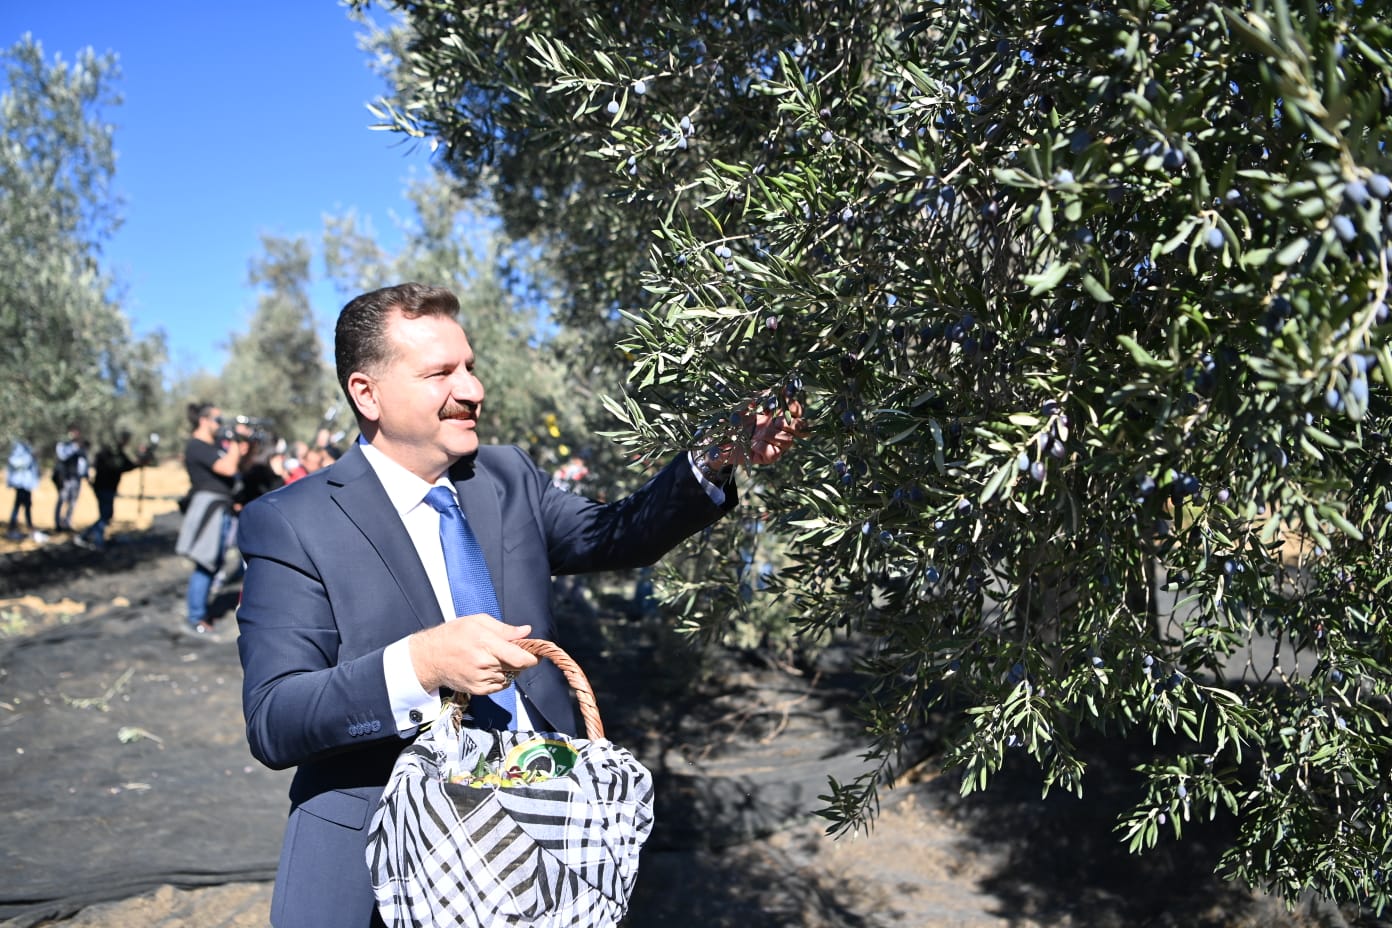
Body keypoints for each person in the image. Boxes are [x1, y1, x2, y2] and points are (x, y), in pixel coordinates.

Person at [234, 282, 804, 928]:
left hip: (541, 858)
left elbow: (616, 534)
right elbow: (276, 717)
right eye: (441, 373)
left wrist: (717, 455)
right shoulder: (293, 521)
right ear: (367, 393)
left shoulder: (506, 477)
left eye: (470, 367)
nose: (473, 389)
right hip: (383, 873)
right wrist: (419, 666)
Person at [174, 402, 242, 635]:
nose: (220, 425)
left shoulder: (210, 445)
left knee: (213, 561)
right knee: (205, 562)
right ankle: (195, 617)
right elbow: (229, 468)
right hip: (209, 508)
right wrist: (234, 441)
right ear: (203, 420)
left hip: (218, 507)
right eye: (217, 420)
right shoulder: (197, 446)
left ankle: (199, 612)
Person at [77, 430, 153, 550]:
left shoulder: (114, 453)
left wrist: (139, 463)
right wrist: (138, 464)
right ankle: (96, 540)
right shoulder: (112, 454)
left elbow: (125, 466)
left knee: (106, 515)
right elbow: (121, 467)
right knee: (105, 515)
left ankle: (88, 537)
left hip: (105, 487)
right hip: (104, 488)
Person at [52, 424, 87, 533]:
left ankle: (67, 522)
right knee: (62, 499)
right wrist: (74, 448)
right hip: (65, 477)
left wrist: (84, 474)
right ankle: (58, 523)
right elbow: (62, 456)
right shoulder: (63, 445)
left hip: (76, 477)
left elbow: (83, 461)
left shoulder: (80, 446)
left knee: (73, 501)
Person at [6, 438, 42, 541]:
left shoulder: (27, 447)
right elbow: (15, 462)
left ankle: (27, 528)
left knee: (26, 505)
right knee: (20, 505)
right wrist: (30, 457)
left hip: (27, 483)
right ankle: (14, 529)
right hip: (20, 483)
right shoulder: (18, 447)